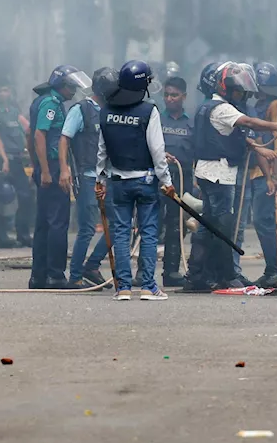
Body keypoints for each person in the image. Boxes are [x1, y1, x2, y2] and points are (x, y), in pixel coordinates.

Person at [183, 62, 277, 291]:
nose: (240, 96)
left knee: (208, 226)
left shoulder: (207, 106)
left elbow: (231, 136)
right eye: (238, 91)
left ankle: (198, 275)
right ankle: (227, 275)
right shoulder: (223, 108)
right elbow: (249, 123)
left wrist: (258, 148)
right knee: (224, 228)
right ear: (225, 88)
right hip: (220, 175)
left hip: (207, 172)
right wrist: (275, 126)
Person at [95, 60, 174, 301]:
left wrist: (100, 178)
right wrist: (167, 181)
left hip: (118, 181)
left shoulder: (106, 111)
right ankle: (148, 286)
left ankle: (124, 288)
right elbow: (158, 150)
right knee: (148, 232)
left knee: (121, 233)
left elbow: (102, 150)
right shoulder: (149, 111)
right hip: (146, 181)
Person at [27, 65, 88, 289]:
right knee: (58, 223)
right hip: (51, 166)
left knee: (43, 222)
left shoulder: (41, 101)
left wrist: (36, 166)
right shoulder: (51, 103)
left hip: (44, 166)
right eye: (70, 86)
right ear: (61, 85)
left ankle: (39, 276)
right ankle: (56, 275)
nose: (73, 91)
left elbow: (29, 136)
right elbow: (39, 135)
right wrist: (45, 169)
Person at [59, 67, 113, 288]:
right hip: (88, 176)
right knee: (87, 228)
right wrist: (64, 169)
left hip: (109, 177)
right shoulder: (81, 109)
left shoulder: (111, 110)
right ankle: (75, 277)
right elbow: (64, 138)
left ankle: (92, 265)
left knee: (120, 224)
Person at [248, 63, 277, 287]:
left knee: (265, 221)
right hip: (258, 170)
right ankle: (272, 269)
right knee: (262, 222)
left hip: (270, 172)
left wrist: (275, 177)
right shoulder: (261, 103)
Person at [0, 75, 34, 247]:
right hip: (0, 160)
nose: (2, 94)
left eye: (5, 90)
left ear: (10, 92)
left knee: (25, 196)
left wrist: (29, 153)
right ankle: (1, 237)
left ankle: (23, 234)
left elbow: (26, 131)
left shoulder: (14, 111)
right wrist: (4, 159)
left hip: (18, 159)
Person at [159, 76, 194, 287]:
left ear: (184, 96)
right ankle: (142, 272)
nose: (170, 99)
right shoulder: (156, 119)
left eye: (174, 95)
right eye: (166, 95)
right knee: (150, 224)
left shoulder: (191, 123)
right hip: (157, 179)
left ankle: (170, 272)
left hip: (182, 179)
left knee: (177, 225)